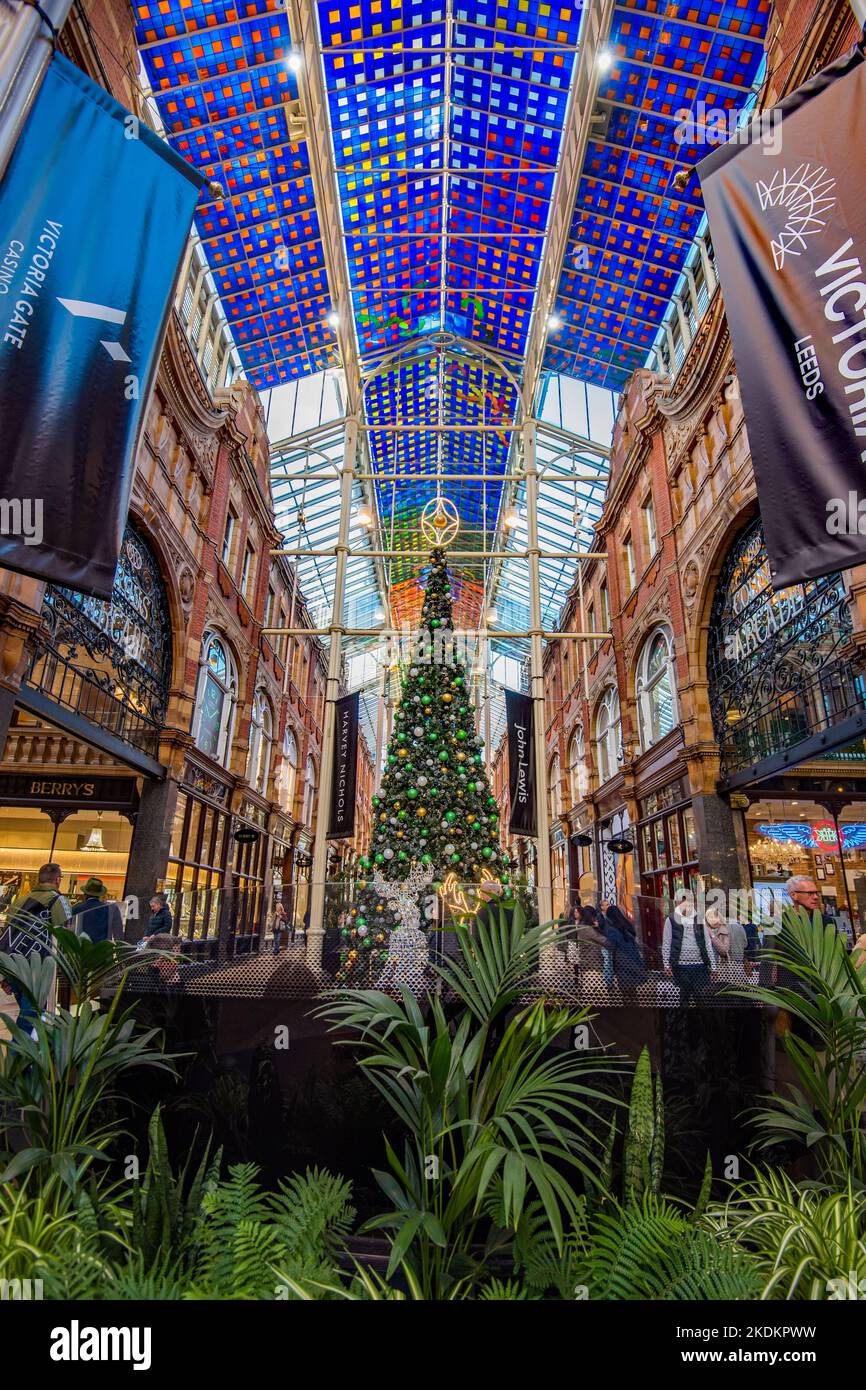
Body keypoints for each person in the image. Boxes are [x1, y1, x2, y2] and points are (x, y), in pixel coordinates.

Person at [0, 863, 70, 1033]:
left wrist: (5, 976)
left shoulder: (21, 900)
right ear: (58, 880)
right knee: (30, 1020)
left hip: (15, 967)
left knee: (29, 1017)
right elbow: (66, 935)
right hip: (37, 969)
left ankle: (25, 1047)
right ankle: (18, 1049)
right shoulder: (57, 900)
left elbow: (7, 937)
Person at [662, 891, 715, 1007]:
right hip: (680, 967)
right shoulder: (671, 919)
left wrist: (713, 966)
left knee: (702, 1002)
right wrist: (666, 964)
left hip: (700, 967)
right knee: (683, 1002)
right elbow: (666, 942)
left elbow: (707, 943)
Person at [603, 901, 648, 993]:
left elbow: (611, 946)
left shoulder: (612, 930)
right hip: (633, 959)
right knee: (632, 990)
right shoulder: (626, 926)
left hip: (622, 963)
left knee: (626, 991)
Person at [70, 877, 123, 944]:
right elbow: (118, 934)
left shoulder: (76, 908)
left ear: (85, 894)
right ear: (100, 894)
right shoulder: (112, 909)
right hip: (103, 948)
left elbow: (70, 931)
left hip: (82, 948)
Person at [706, 905, 748, 984]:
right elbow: (745, 944)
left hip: (724, 967)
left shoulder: (719, 927)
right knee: (738, 989)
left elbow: (714, 948)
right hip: (739, 965)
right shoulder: (740, 927)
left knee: (724, 989)